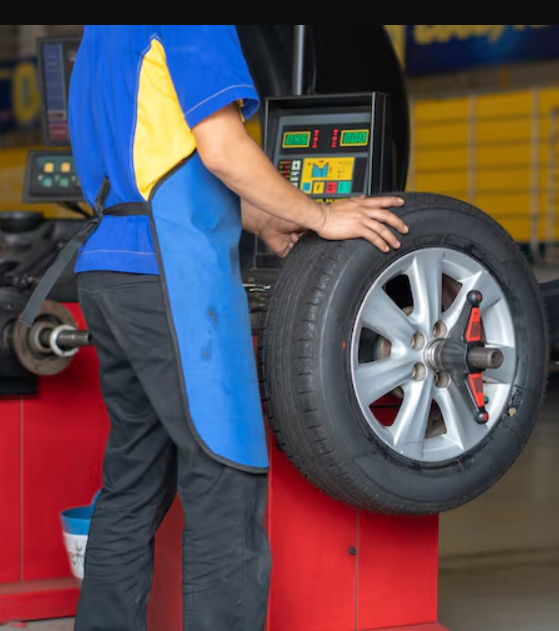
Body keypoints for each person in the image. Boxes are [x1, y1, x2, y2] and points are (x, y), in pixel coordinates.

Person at [58, 25, 407, 631]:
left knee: (133, 482)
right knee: (225, 476)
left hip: (110, 268)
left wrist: (261, 218)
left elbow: (158, 162)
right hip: (172, 270)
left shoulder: (98, 35)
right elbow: (220, 148)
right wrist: (319, 215)